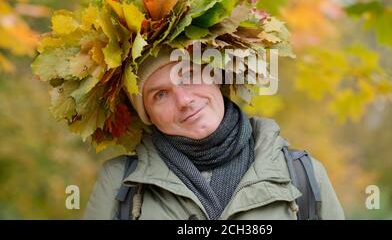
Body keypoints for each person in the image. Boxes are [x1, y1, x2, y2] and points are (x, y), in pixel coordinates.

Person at [83, 50, 345, 220]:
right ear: (147, 115)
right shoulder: (121, 184)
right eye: (160, 94)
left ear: (215, 77)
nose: (184, 100)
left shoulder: (302, 175)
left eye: (188, 76)